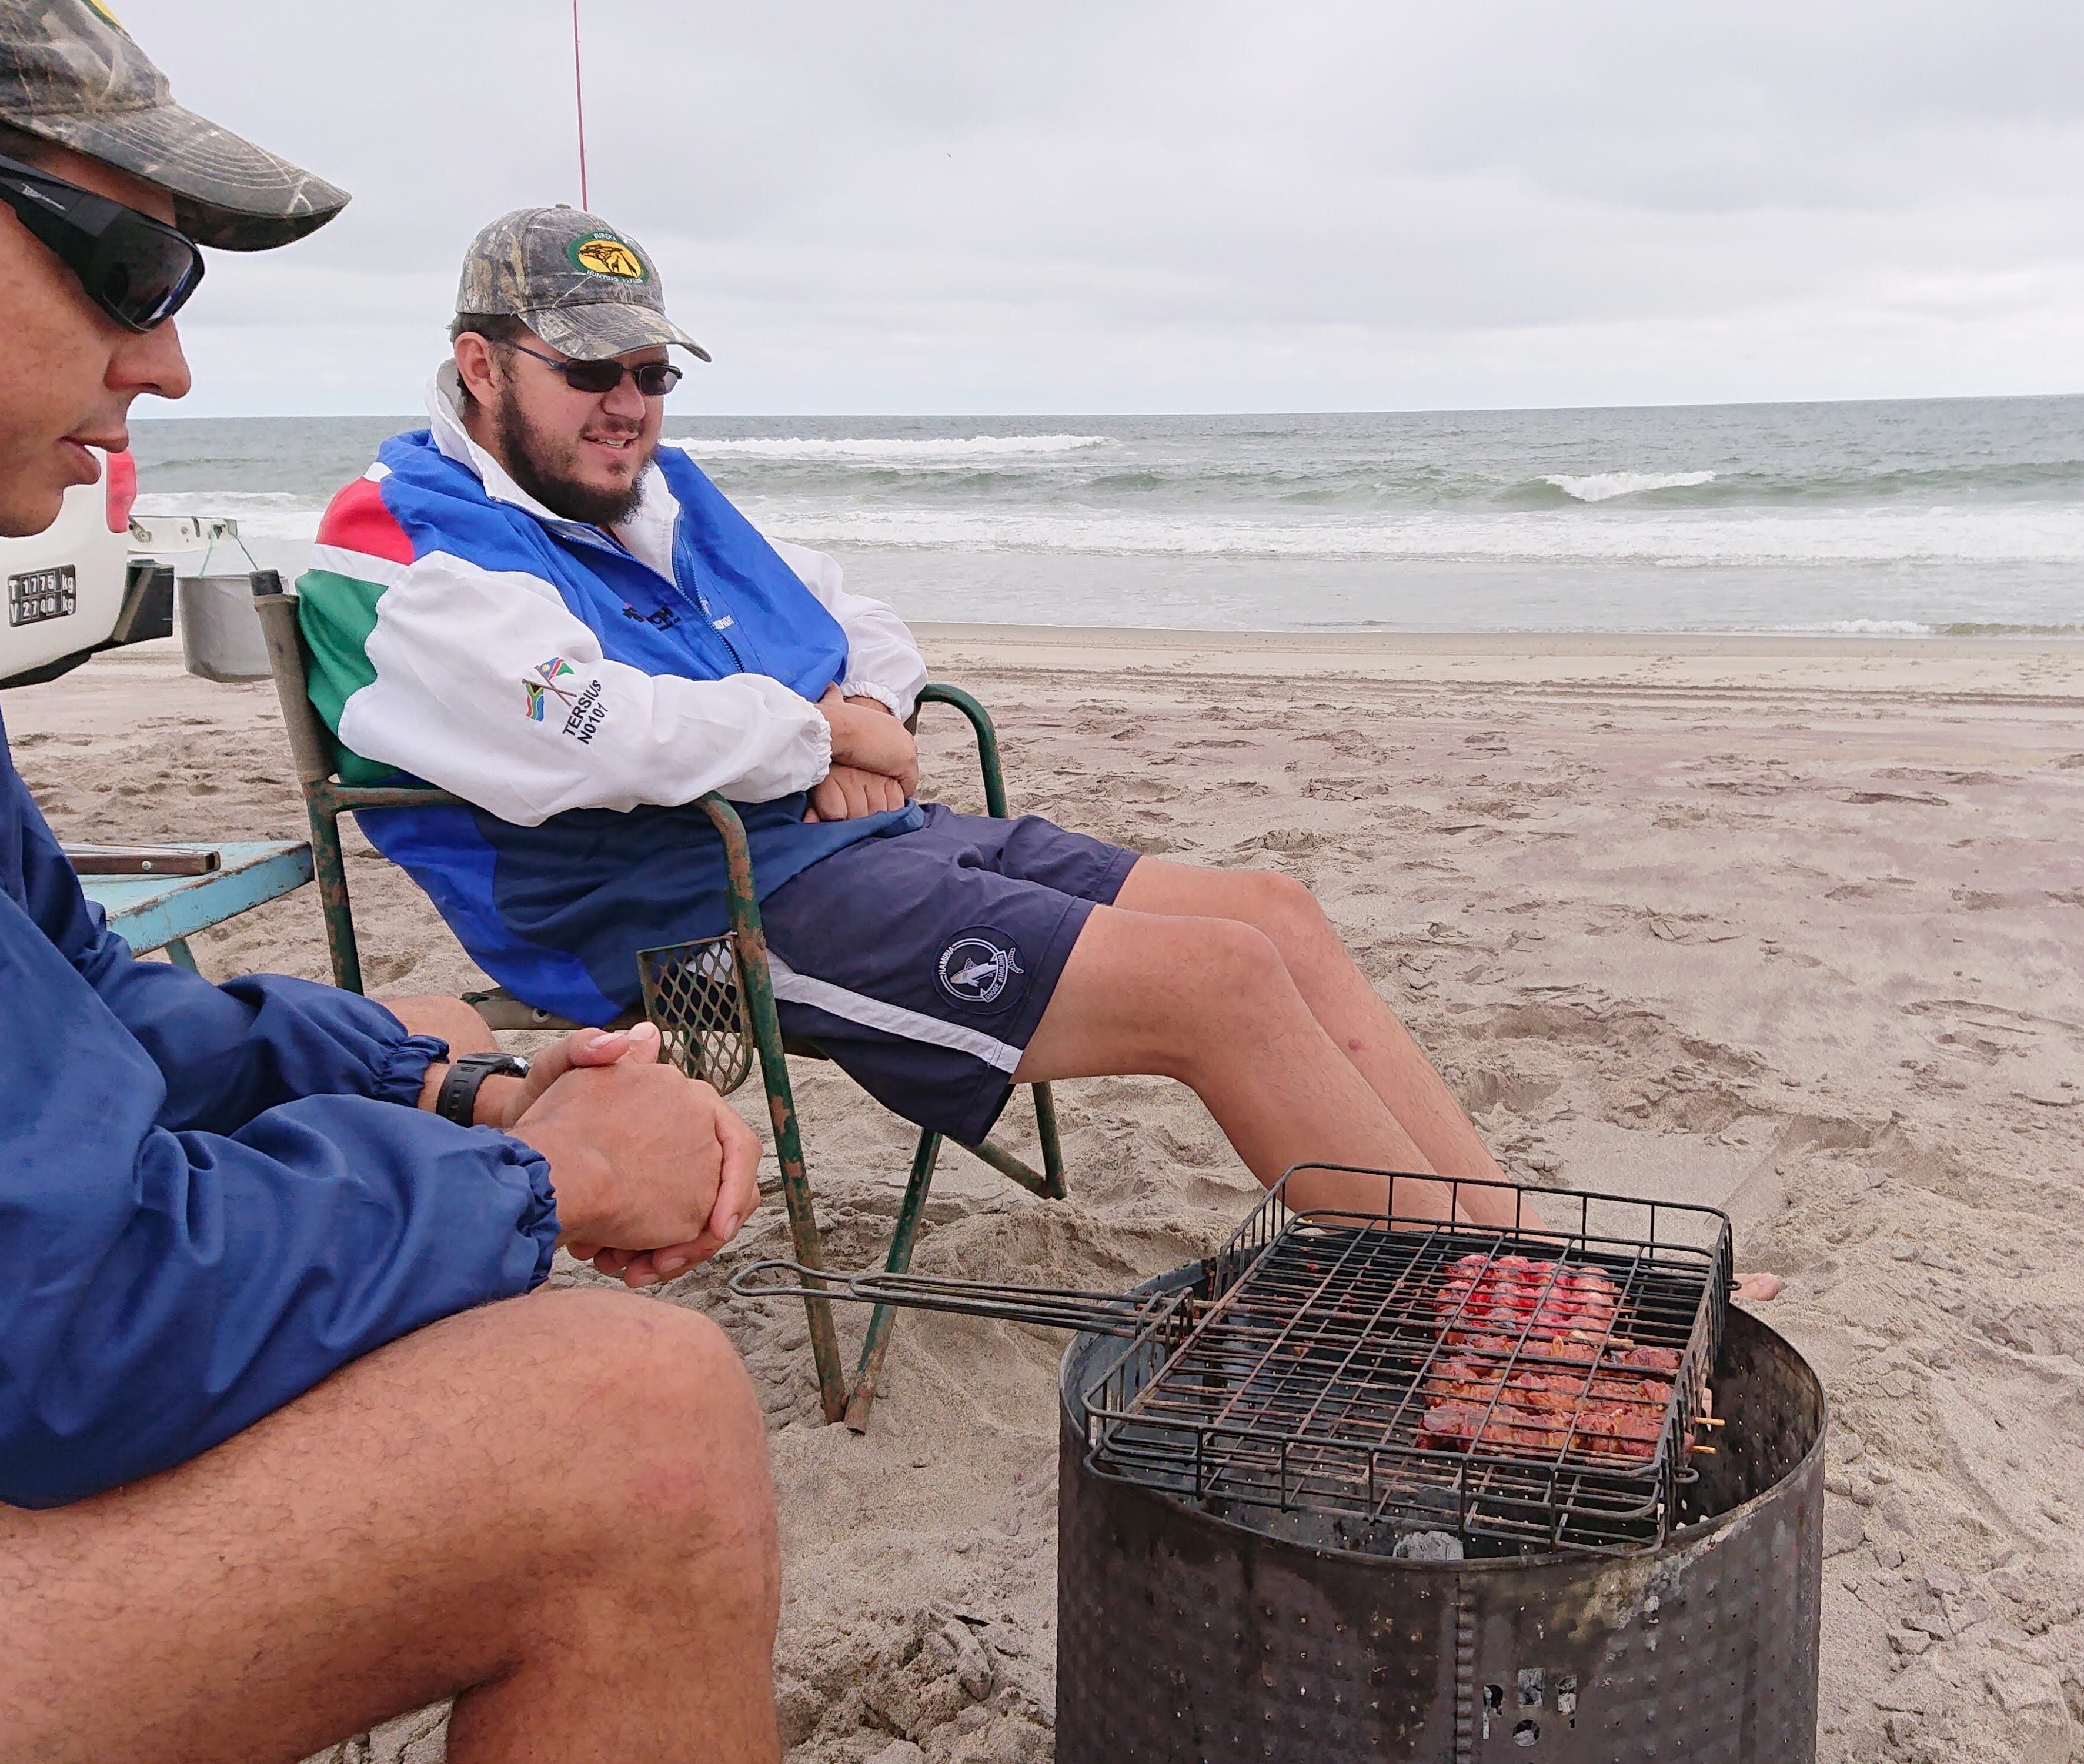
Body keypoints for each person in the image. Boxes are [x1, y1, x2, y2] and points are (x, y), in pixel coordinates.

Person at [0, 7, 782, 1759]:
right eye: (128, 260)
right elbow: (53, 1316)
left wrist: (433, 1080)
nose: (165, 368)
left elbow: (66, 991)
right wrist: (530, 1182)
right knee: (636, 1427)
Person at [295, 206, 1519, 1230]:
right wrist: (834, 740)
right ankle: (1490, 1324)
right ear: (480, 365)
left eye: (651, 374)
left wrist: (866, 711)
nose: (627, 404)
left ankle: (1542, 1263)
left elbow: (858, 619)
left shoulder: (650, 492)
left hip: (849, 842)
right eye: (589, 372)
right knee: (1219, 981)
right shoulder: (397, 539)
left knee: (1272, 916)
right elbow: (613, 734)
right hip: (682, 913)